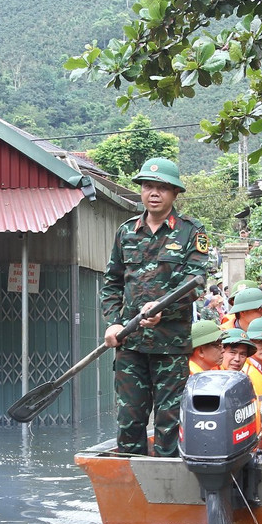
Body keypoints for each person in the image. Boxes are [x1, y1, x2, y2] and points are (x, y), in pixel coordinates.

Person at [102, 158, 210, 457]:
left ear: (174, 193)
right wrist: (113, 323)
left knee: (169, 423)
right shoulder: (126, 232)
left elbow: (197, 282)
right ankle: (130, 491)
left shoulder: (191, 232)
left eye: (162, 188)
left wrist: (167, 309)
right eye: (148, 186)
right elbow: (111, 282)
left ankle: (168, 489)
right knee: (129, 421)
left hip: (171, 346)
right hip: (131, 344)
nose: (154, 193)